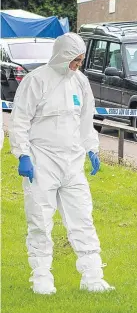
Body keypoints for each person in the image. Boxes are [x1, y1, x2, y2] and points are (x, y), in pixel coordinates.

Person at [9, 33, 115, 295]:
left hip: (72, 162)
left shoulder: (80, 82)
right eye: (74, 60)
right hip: (41, 160)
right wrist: (22, 154)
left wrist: (91, 148)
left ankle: (92, 276)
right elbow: (20, 120)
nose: (77, 65)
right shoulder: (37, 81)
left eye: (80, 60)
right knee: (40, 220)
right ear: (63, 56)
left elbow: (84, 120)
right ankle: (41, 277)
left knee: (82, 218)